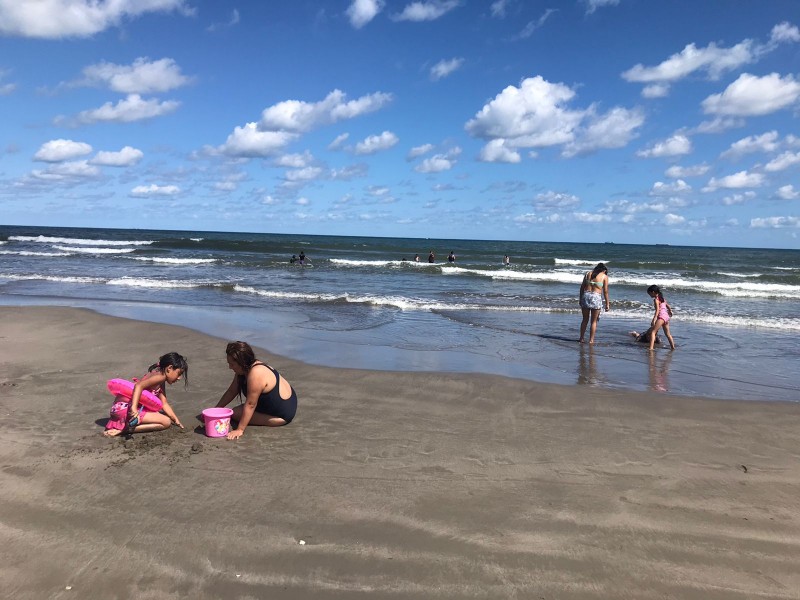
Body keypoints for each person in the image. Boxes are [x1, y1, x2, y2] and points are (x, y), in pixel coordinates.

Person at [216, 341, 298, 440]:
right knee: (236, 412)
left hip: (282, 414)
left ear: (241, 362)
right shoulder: (244, 369)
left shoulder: (256, 373)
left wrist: (240, 429)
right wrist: (215, 410)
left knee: (236, 413)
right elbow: (231, 391)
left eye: (232, 364)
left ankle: (271, 419)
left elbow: (251, 404)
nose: (230, 367)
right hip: (281, 403)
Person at [103, 352, 188, 437]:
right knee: (166, 422)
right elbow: (139, 386)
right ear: (169, 368)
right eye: (179, 373)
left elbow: (164, 403)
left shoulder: (159, 375)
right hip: (126, 410)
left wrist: (176, 420)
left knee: (161, 415)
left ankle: (125, 425)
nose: (179, 378)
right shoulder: (160, 377)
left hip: (118, 409)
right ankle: (125, 429)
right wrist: (134, 408)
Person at [578, 262, 609, 344]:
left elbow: (582, 287)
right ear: (604, 270)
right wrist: (607, 304)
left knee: (585, 319)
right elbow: (605, 292)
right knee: (594, 321)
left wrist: (580, 298)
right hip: (596, 297)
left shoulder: (588, 274)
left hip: (586, 296)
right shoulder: (604, 276)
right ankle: (591, 340)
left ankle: (581, 338)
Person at [647, 285, 675, 350]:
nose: (650, 295)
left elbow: (657, 311)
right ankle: (673, 347)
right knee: (668, 334)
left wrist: (654, 319)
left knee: (653, 332)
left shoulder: (656, 300)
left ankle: (651, 348)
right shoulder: (662, 298)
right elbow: (668, 306)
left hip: (661, 317)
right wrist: (670, 311)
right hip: (666, 317)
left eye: (649, 293)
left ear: (653, 292)